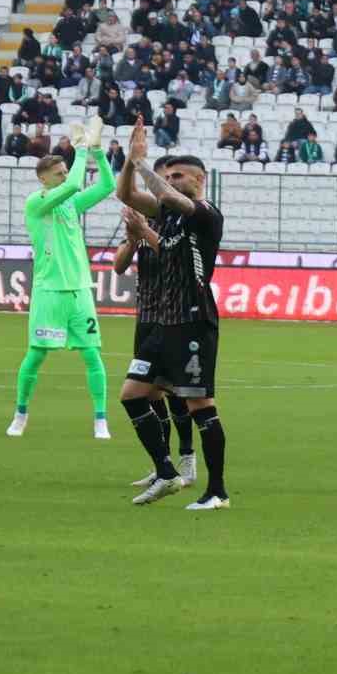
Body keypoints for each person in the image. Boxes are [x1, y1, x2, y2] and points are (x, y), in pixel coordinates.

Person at [113, 125, 230, 509]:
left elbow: (165, 197)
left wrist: (142, 162)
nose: (170, 180)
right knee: (133, 395)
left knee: (200, 406)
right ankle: (166, 472)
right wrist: (130, 162)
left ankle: (217, 491)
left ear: (199, 179)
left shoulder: (206, 214)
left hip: (193, 321)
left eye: (178, 175)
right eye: (168, 175)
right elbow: (126, 195)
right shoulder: (169, 215)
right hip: (163, 324)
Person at [6, 116, 115, 441]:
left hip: (79, 291)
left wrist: (97, 152)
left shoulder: (69, 203)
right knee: (36, 355)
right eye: (59, 173)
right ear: (43, 179)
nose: (65, 177)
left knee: (92, 355)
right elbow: (72, 186)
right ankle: (20, 414)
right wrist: (80, 151)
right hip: (49, 291)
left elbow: (108, 186)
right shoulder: (36, 203)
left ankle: (100, 420)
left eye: (66, 171)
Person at [113, 155, 196, 490]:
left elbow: (175, 258)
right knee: (149, 395)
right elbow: (119, 266)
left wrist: (144, 232)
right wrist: (134, 238)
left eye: (170, 179)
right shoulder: (143, 218)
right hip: (146, 315)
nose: (164, 185)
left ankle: (187, 458)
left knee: (175, 392)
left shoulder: (177, 222)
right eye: (163, 178)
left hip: (173, 316)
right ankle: (163, 465)